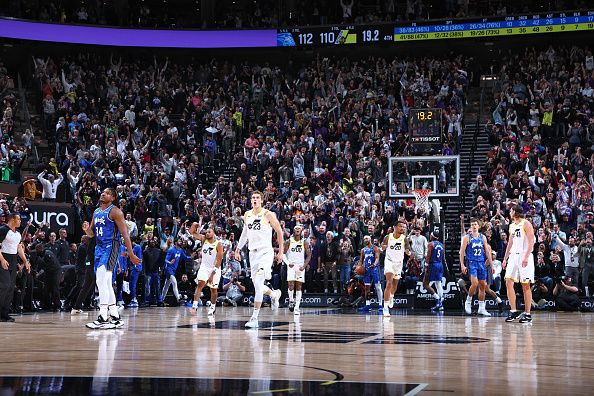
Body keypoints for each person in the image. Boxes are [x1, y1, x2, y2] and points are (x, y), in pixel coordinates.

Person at [82, 188, 140, 329]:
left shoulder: (115, 212)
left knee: (101, 279)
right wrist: (86, 230)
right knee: (105, 282)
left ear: (113, 197)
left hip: (112, 246)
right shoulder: (96, 212)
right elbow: (91, 234)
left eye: (107, 193)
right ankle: (115, 316)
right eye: (103, 192)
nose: (103, 193)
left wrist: (131, 254)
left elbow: (125, 235)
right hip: (99, 247)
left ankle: (103, 317)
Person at [234, 191, 283, 329]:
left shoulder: (267, 214)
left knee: (260, 279)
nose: (255, 200)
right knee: (258, 286)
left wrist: (280, 251)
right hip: (252, 254)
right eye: (253, 198)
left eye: (257, 198)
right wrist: (238, 249)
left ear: (261, 200)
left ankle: (254, 318)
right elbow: (245, 233)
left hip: (266, 252)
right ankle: (274, 294)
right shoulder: (247, 214)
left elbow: (279, 231)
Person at [502, 204, 536, 323]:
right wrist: (505, 258)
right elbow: (510, 243)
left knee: (525, 285)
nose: (509, 212)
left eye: (511, 210)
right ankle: (514, 311)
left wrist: (526, 257)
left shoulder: (526, 223)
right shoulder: (511, 225)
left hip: (524, 255)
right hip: (513, 256)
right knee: (508, 282)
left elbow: (532, 241)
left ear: (515, 212)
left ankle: (527, 313)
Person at [459, 218, 493, 316]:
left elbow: (487, 252)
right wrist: (462, 265)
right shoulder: (467, 238)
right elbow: (461, 252)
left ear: (478, 226)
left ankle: (481, 308)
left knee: (482, 285)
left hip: (481, 263)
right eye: (472, 224)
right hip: (472, 262)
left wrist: (491, 265)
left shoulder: (482, 237)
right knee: (474, 283)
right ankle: (468, 301)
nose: (474, 226)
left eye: (475, 224)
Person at [0, 213, 30, 322]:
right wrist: (2, 259)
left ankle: (4, 314)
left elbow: (19, 248)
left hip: (13, 260)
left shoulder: (17, 234)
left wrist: (25, 261)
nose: (20, 221)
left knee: (11, 287)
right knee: (4, 286)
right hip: (3, 258)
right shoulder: (3, 230)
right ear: (12, 219)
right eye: (18, 219)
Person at [189, 225, 223, 316]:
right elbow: (192, 232)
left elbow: (219, 261)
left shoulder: (218, 244)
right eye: (206, 232)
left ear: (214, 233)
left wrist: (212, 275)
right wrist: (194, 225)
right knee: (200, 284)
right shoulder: (204, 240)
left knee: (213, 290)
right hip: (204, 267)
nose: (207, 233)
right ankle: (194, 306)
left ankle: (212, 306)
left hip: (214, 269)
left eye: (209, 232)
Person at [382, 221, 410, 318]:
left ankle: (392, 296)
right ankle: (385, 308)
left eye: (404, 227)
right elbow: (382, 246)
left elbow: (408, 248)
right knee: (388, 283)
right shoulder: (388, 237)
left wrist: (408, 252)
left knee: (394, 286)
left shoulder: (404, 238)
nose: (402, 228)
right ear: (395, 227)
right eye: (400, 226)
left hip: (399, 263)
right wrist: (383, 247)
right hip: (389, 261)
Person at [284, 225, 311, 316]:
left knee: (299, 287)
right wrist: (287, 263)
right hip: (291, 265)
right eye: (296, 228)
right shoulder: (288, 241)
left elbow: (309, 255)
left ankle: (297, 308)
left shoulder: (304, 242)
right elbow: (283, 254)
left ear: (301, 231)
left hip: (300, 266)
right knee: (291, 285)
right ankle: (291, 301)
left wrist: (304, 265)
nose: (298, 230)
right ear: (293, 231)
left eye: (299, 229)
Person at [161, 239, 192, 306]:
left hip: (173, 270)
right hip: (168, 269)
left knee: (166, 285)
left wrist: (191, 257)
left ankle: (161, 299)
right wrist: (170, 262)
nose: (180, 242)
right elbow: (165, 259)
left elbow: (185, 258)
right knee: (174, 282)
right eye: (179, 241)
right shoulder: (171, 250)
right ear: (175, 243)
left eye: (181, 241)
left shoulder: (180, 250)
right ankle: (178, 299)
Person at [72, 237, 97, 314]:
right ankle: (109, 308)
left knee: (86, 287)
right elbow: (88, 258)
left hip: (89, 266)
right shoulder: (84, 246)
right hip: (89, 266)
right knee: (100, 284)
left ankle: (77, 307)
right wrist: (89, 266)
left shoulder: (89, 244)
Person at [358, 235, 382, 313]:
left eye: (367, 238)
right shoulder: (363, 250)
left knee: (378, 287)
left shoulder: (375, 248)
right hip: (366, 270)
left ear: (370, 239)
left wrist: (374, 264)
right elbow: (361, 260)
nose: (366, 240)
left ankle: (380, 305)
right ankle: (367, 305)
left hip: (374, 270)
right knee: (367, 288)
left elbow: (377, 258)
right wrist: (359, 267)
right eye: (364, 239)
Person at [423, 231, 446, 312]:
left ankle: (438, 300)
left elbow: (429, 255)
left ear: (432, 236)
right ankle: (441, 305)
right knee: (438, 284)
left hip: (433, 264)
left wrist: (426, 265)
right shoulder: (441, 244)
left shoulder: (431, 244)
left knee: (425, 284)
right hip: (440, 264)